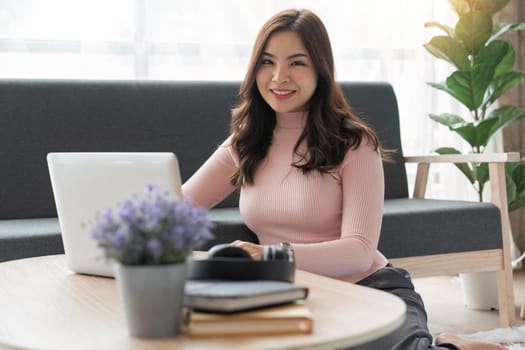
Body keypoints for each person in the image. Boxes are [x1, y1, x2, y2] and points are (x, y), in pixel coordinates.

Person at [182, 8, 505, 350]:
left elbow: (358, 253)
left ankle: (453, 345)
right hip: (284, 295)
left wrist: (268, 255)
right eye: (267, 61)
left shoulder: (354, 143)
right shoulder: (244, 142)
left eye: (297, 63)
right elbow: (176, 208)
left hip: (368, 288)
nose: (278, 77)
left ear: (321, 71)